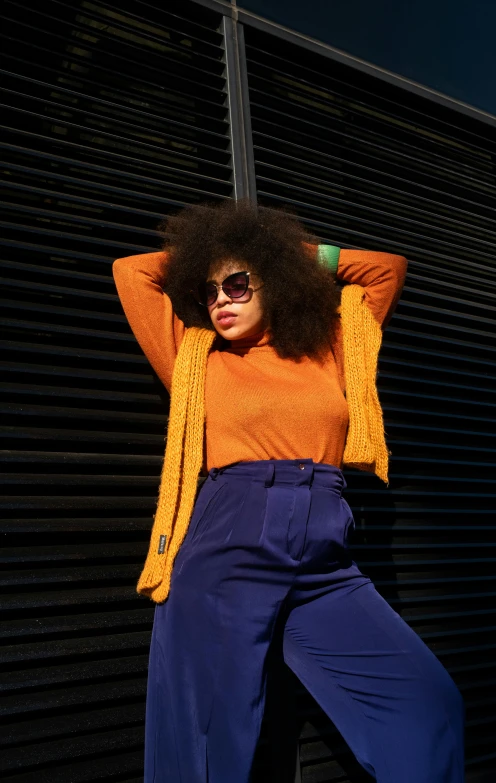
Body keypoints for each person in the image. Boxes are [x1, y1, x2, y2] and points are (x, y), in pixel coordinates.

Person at [112, 198, 465, 783]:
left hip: (325, 553)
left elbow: (385, 269)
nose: (221, 299)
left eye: (239, 283)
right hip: (230, 540)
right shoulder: (195, 360)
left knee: (426, 705)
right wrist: (219, 255)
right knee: (209, 741)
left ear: (273, 281)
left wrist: (279, 253)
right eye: (210, 291)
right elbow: (133, 271)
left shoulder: (332, 347)